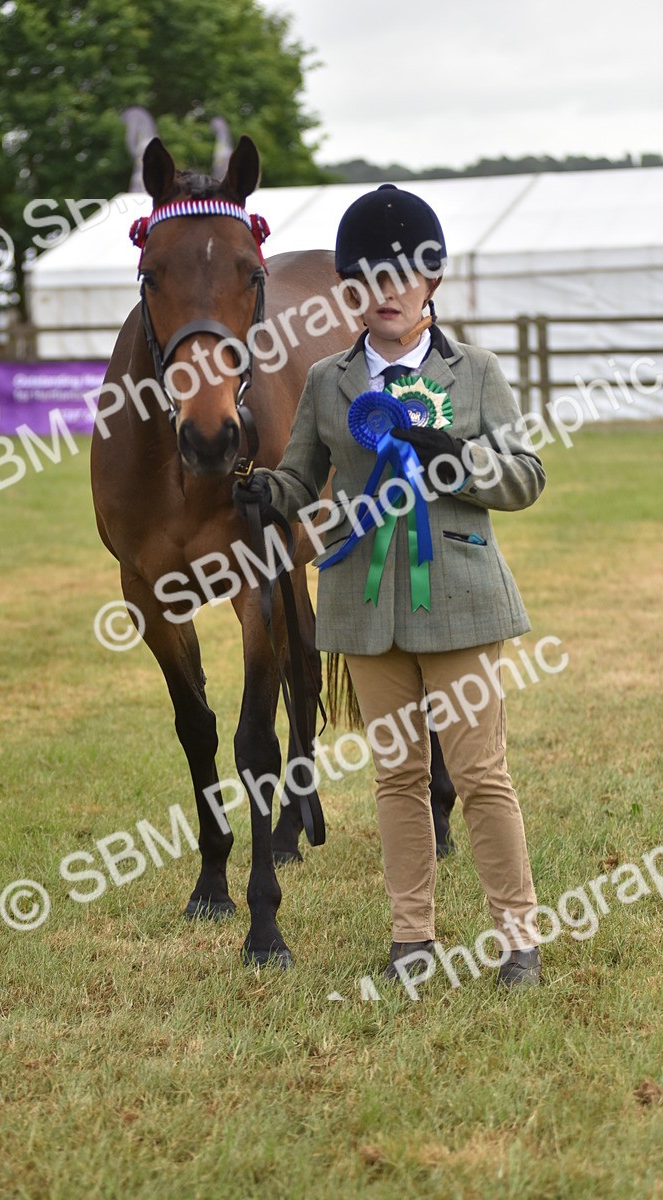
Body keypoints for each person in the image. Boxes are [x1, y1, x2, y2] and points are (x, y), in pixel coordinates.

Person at [233, 184, 545, 989]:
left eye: (403, 275)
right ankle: (413, 937)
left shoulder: (474, 372)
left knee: (480, 776)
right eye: (369, 277)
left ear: (430, 281)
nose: (387, 291)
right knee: (397, 777)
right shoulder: (327, 381)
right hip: (364, 605)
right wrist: (265, 491)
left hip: (460, 597)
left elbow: (525, 477)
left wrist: (460, 461)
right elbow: (301, 476)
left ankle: (517, 936)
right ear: (349, 291)